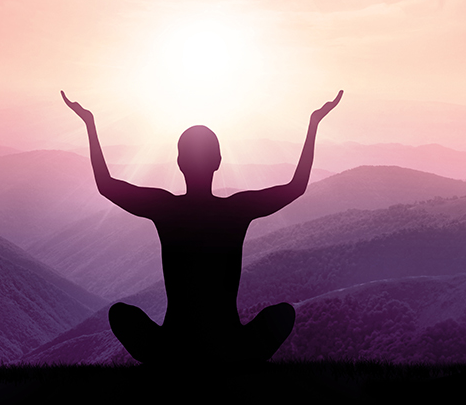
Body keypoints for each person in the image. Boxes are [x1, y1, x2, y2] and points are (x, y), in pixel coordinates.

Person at [62, 89, 343, 364]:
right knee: (283, 314)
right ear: (218, 162)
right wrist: (313, 124)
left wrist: (90, 123)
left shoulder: (166, 208)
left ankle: (171, 362)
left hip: (173, 343)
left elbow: (107, 185)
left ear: (179, 162)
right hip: (230, 344)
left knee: (120, 314)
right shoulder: (236, 209)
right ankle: (234, 363)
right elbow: (296, 187)